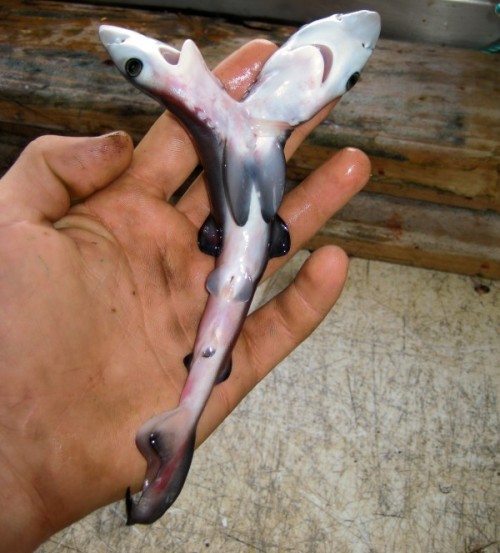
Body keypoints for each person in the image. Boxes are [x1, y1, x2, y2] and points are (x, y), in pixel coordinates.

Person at [0, 39, 370, 552]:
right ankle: (180, 427)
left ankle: (180, 425)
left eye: (347, 79)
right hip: (240, 237)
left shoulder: (234, 124)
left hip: (242, 237)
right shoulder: (233, 126)